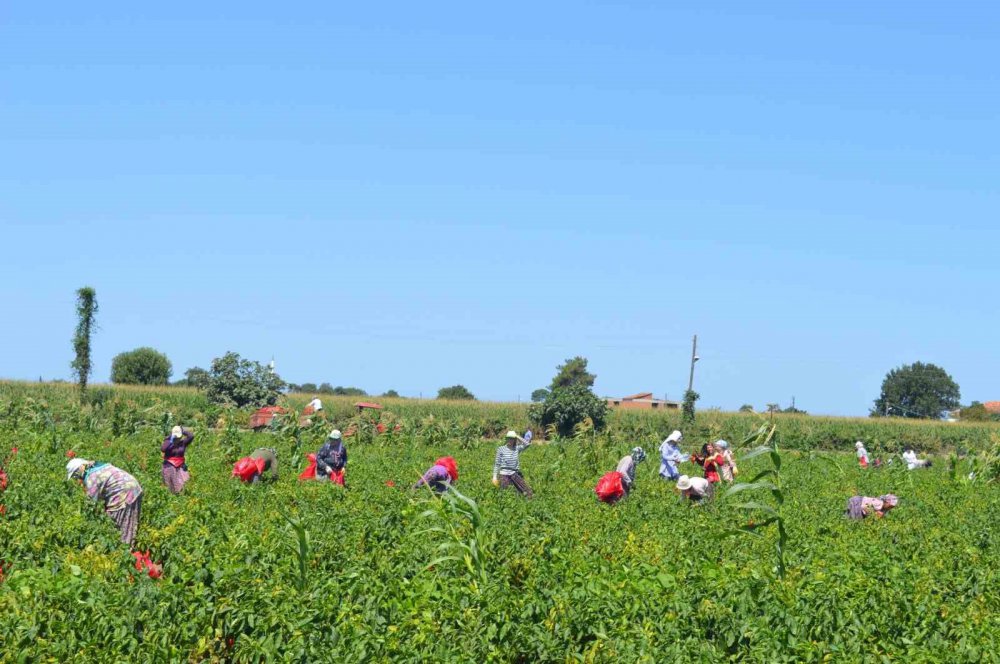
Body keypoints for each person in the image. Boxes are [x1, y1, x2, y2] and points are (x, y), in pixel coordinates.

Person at [66, 459, 144, 545]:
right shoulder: (97, 466)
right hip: (134, 488)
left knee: (119, 528)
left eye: (75, 475)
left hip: (123, 493)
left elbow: (92, 504)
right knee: (130, 522)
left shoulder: (91, 478)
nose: (76, 478)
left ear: (79, 470)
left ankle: (125, 548)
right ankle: (131, 545)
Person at [492, 430, 534, 497]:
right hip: (504, 474)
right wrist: (494, 477)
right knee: (508, 493)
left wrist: (517, 436)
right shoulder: (501, 449)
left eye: (512, 438)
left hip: (514, 473)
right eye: (509, 438)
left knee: (528, 491)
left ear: (514, 440)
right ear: (506, 439)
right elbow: (497, 464)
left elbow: (527, 444)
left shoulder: (517, 448)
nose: (510, 440)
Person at [160, 425, 194, 494]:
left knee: (185, 481)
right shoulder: (168, 441)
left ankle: (182, 495)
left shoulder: (183, 443)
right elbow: (163, 449)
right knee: (171, 486)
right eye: (176, 437)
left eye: (179, 437)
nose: (178, 438)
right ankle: (173, 497)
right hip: (169, 466)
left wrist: (182, 431)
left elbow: (191, 436)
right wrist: (171, 439)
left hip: (180, 466)